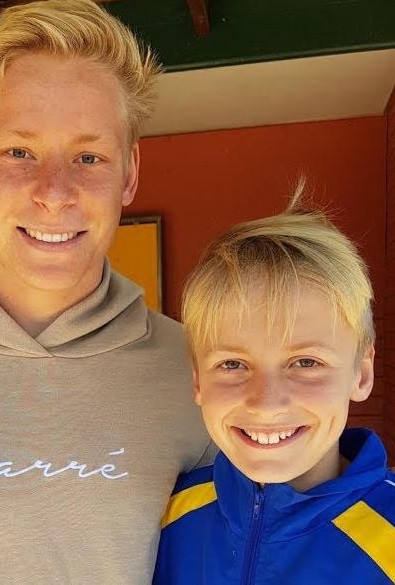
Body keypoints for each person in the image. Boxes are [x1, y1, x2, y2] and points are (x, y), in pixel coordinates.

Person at [0, 0, 211, 584]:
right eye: (19, 152)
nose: (54, 192)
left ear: (129, 173)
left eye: (88, 156)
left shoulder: (201, 378)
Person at [153, 184, 395, 584]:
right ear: (197, 379)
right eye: (232, 364)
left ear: (362, 373)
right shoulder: (168, 514)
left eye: (305, 362)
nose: (266, 403)